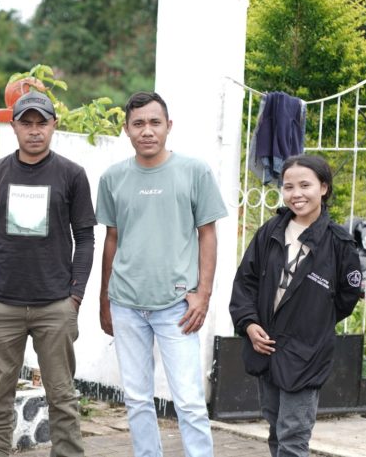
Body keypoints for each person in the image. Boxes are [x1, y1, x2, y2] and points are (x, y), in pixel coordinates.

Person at [96, 91, 227, 457]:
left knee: (188, 400)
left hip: (177, 305)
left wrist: (203, 294)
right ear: (126, 129)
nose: (147, 131)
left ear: (169, 126)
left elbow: (207, 234)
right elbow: (111, 239)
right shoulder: (113, 178)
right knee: (137, 398)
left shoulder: (194, 171)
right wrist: (104, 300)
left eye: (155, 122)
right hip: (126, 303)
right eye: (138, 123)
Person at [0, 91, 96, 457]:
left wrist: (75, 296)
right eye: (27, 123)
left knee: (62, 396)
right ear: (14, 127)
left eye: (42, 123)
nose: (35, 130)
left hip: (54, 305)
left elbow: (85, 238)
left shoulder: (72, 175)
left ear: (54, 125)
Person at [230, 154, 361, 457]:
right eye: (289, 187)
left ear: (323, 188)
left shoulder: (339, 243)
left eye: (305, 185)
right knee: (276, 428)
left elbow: (346, 298)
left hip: (306, 352)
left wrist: (312, 321)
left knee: (294, 436)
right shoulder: (270, 232)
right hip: (266, 346)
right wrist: (249, 323)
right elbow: (246, 282)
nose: (296, 194)